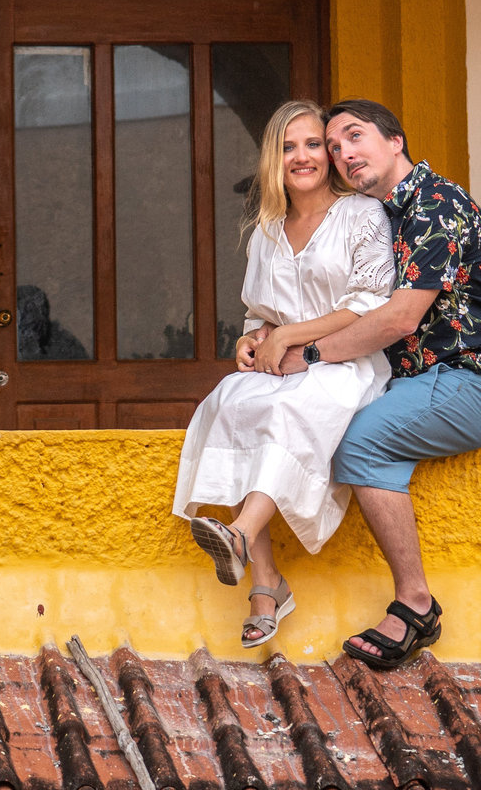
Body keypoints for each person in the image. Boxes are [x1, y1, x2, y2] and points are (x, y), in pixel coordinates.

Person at [240, 99, 481, 670]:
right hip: (413, 384)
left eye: (355, 136)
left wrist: (307, 353)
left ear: (396, 141)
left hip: (469, 378)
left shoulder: (436, 203)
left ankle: (416, 604)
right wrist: (264, 333)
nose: (343, 153)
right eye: (334, 145)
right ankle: (263, 577)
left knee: (360, 443)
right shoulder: (376, 214)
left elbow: (397, 319)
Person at [173, 99, 396, 649]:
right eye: (288, 147)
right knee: (233, 402)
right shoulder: (267, 231)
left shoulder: (362, 215)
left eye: (313, 144)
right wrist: (249, 343)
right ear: (274, 159)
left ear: (329, 154)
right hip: (281, 364)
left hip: (343, 362)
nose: (302, 156)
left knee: (290, 406)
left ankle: (240, 537)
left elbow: (368, 304)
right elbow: (258, 315)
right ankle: (266, 580)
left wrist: (291, 335)